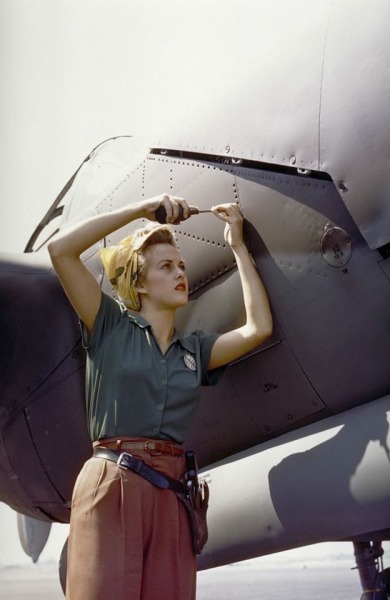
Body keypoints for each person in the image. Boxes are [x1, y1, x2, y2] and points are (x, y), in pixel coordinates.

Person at [48, 193, 273, 600]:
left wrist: (238, 246)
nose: (179, 273)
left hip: (173, 495)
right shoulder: (109, 325)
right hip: (113, 482)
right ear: (138, 282)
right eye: (166, 267)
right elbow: (61, 251)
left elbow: (258, 328)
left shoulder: (195, 351)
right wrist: (139, 210)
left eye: (181, 265)